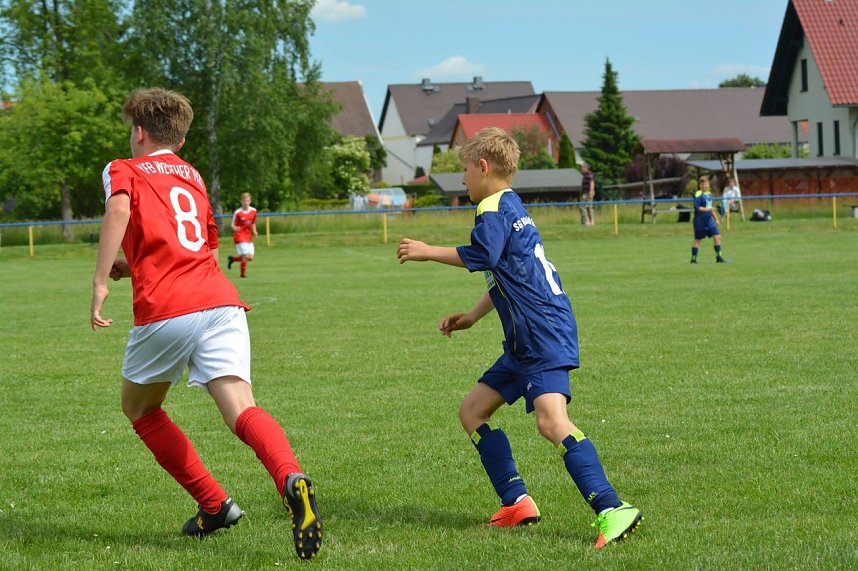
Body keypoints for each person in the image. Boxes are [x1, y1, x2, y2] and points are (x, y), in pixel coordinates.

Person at [90, 87, 322, 560]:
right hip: (220, 301)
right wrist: (133, 265)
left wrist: (100, 278)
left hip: (167, 308)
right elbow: (198, 247)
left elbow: (119, 209)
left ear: (138, 132)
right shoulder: (193, 177)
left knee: (140, 409)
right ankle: (290, 477)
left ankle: (214, 504)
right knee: (242, 408)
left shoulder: (123, 168)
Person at [396, 127, 642, 549]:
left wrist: (426, 250)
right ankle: (517, 501)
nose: (462, 180)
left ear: (484, 167)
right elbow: (508, 274)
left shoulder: (491, 208)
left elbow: (484, 257)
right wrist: (472, 316)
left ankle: (611, 507)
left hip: (541, 333)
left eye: (465, 171)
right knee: (472, 411)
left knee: (551, 421)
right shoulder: (510, 205)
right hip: (525, 339)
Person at [691, 175, 729, 264]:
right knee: (698, 240)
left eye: (706, 184)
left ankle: (719, 257)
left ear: (709, 185)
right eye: (702, 184)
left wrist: (716, 219)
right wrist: (712, 209)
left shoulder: (709, 194)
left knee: (717, 237)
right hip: (700, 221)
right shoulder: (698, 194)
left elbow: (710, 208)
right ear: (700, 185)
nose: (704, 186)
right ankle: (693, 259)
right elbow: (698, 208)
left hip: (709, 221)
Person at [227, 192, 257, 278]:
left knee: (250, 257)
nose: (246, 202)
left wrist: (254, 231)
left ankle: (232, 259)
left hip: (248, 236)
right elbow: (232, 225)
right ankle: (242, 275)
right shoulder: (238, 212)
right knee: (246, 256)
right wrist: (235, 228)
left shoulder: (253, 211)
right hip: (239, 236)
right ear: (241, 201)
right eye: (244, 201)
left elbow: (253, 222)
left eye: (247, 200)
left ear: (250, 201)